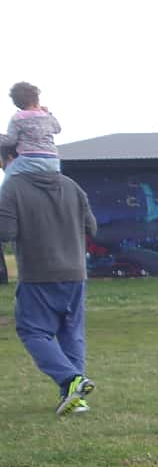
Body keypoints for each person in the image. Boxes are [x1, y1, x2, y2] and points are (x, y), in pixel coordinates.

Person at [0, 158, 97, 415]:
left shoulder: (13, 186)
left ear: (13, 157)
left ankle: (70, 380)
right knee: (71, 332)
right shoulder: (70, 184)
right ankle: (75, 397)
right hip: (75, 273)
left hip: (38, 273)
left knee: (33, 332)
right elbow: (91, 227)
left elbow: (5, 231)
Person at [2, 81, 62, 175]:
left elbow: (10, 140)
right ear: (37, 99)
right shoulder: (46, 116)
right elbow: (58, 129)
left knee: (9, 173)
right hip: (52, 161)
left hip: (29, 160)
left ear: (16, 103)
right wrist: (48, 113)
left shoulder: (17, 117)